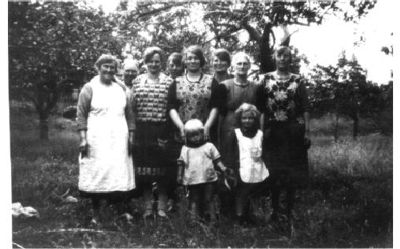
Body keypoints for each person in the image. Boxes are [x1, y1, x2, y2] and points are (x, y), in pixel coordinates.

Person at [76, 54, 135, 224]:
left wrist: (131, 137)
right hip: (97, 137)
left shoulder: (121, 89)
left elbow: (130, 115)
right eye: (105, 66)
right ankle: (96, 213)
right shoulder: (89, 88)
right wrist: (83, 138)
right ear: (98, 67)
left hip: (118, 138)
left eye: (112, 67)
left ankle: (119, 212)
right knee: (97, 172)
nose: (109, 70)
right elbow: (81, 115)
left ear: (116, 70)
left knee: (117, 172)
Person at [257, 46, 311, 224]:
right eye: (279, 55)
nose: (283, 59)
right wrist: (261, 131)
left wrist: (307, 131)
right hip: (273, 131)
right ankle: (274, 209)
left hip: (293, 131)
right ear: (274, 57)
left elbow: (305, 108)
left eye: (286, 56)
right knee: (273, 171)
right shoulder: (265, 79)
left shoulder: (298, 80)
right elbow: (262, 109)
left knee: (292, 172)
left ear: (290, 59)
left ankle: (288, 210)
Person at [130, 46, 174, 219]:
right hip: (142, 130)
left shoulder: (168, 81)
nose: (154, 64)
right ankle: (148, 206)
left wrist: (167, 132)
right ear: (145, 62)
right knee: (144, 172)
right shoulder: (137, 81)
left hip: (162, 129)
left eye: (157, 61)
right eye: (150, 61)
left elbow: (171, 107)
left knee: (163, 171)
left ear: (161, 63)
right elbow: (132, 107)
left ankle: (162, 206)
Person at [167, 45, 224, 145]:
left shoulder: (211, 81)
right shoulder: (176, 82)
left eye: (196, 58)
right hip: (182, 132)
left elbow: (215, 106)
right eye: (189, 58)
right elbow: (171, 107)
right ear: (185, 61)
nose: (193, 61)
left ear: (201, 60)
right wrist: (180, 126)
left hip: (205, 132)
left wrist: (207, 126)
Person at [177, 119, 230, 222]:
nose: (195, 138)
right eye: (192, 136)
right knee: (194, 199)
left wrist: (223, 168)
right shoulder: (185, 149)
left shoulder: (209, 146)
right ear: (187, 136)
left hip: (208, 178)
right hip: (192, 179)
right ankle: (193, 219)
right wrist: (179, 175)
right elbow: (181, 163)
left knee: (209, 198)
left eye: (197, 134)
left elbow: (216, 159)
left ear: (202, 133)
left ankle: (213, 219)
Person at [231, 103, 269, 224]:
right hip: (241, 168)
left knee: (256, 193)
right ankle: (239, 216)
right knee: (241, 193)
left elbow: (264, 152)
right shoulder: (236, 134)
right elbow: (231, 152)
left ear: (255, 119)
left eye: (250, 118)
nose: (247, 121)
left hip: (257, 168)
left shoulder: (260, 134)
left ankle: (255, 215)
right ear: (240, 119)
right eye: (244, 118)